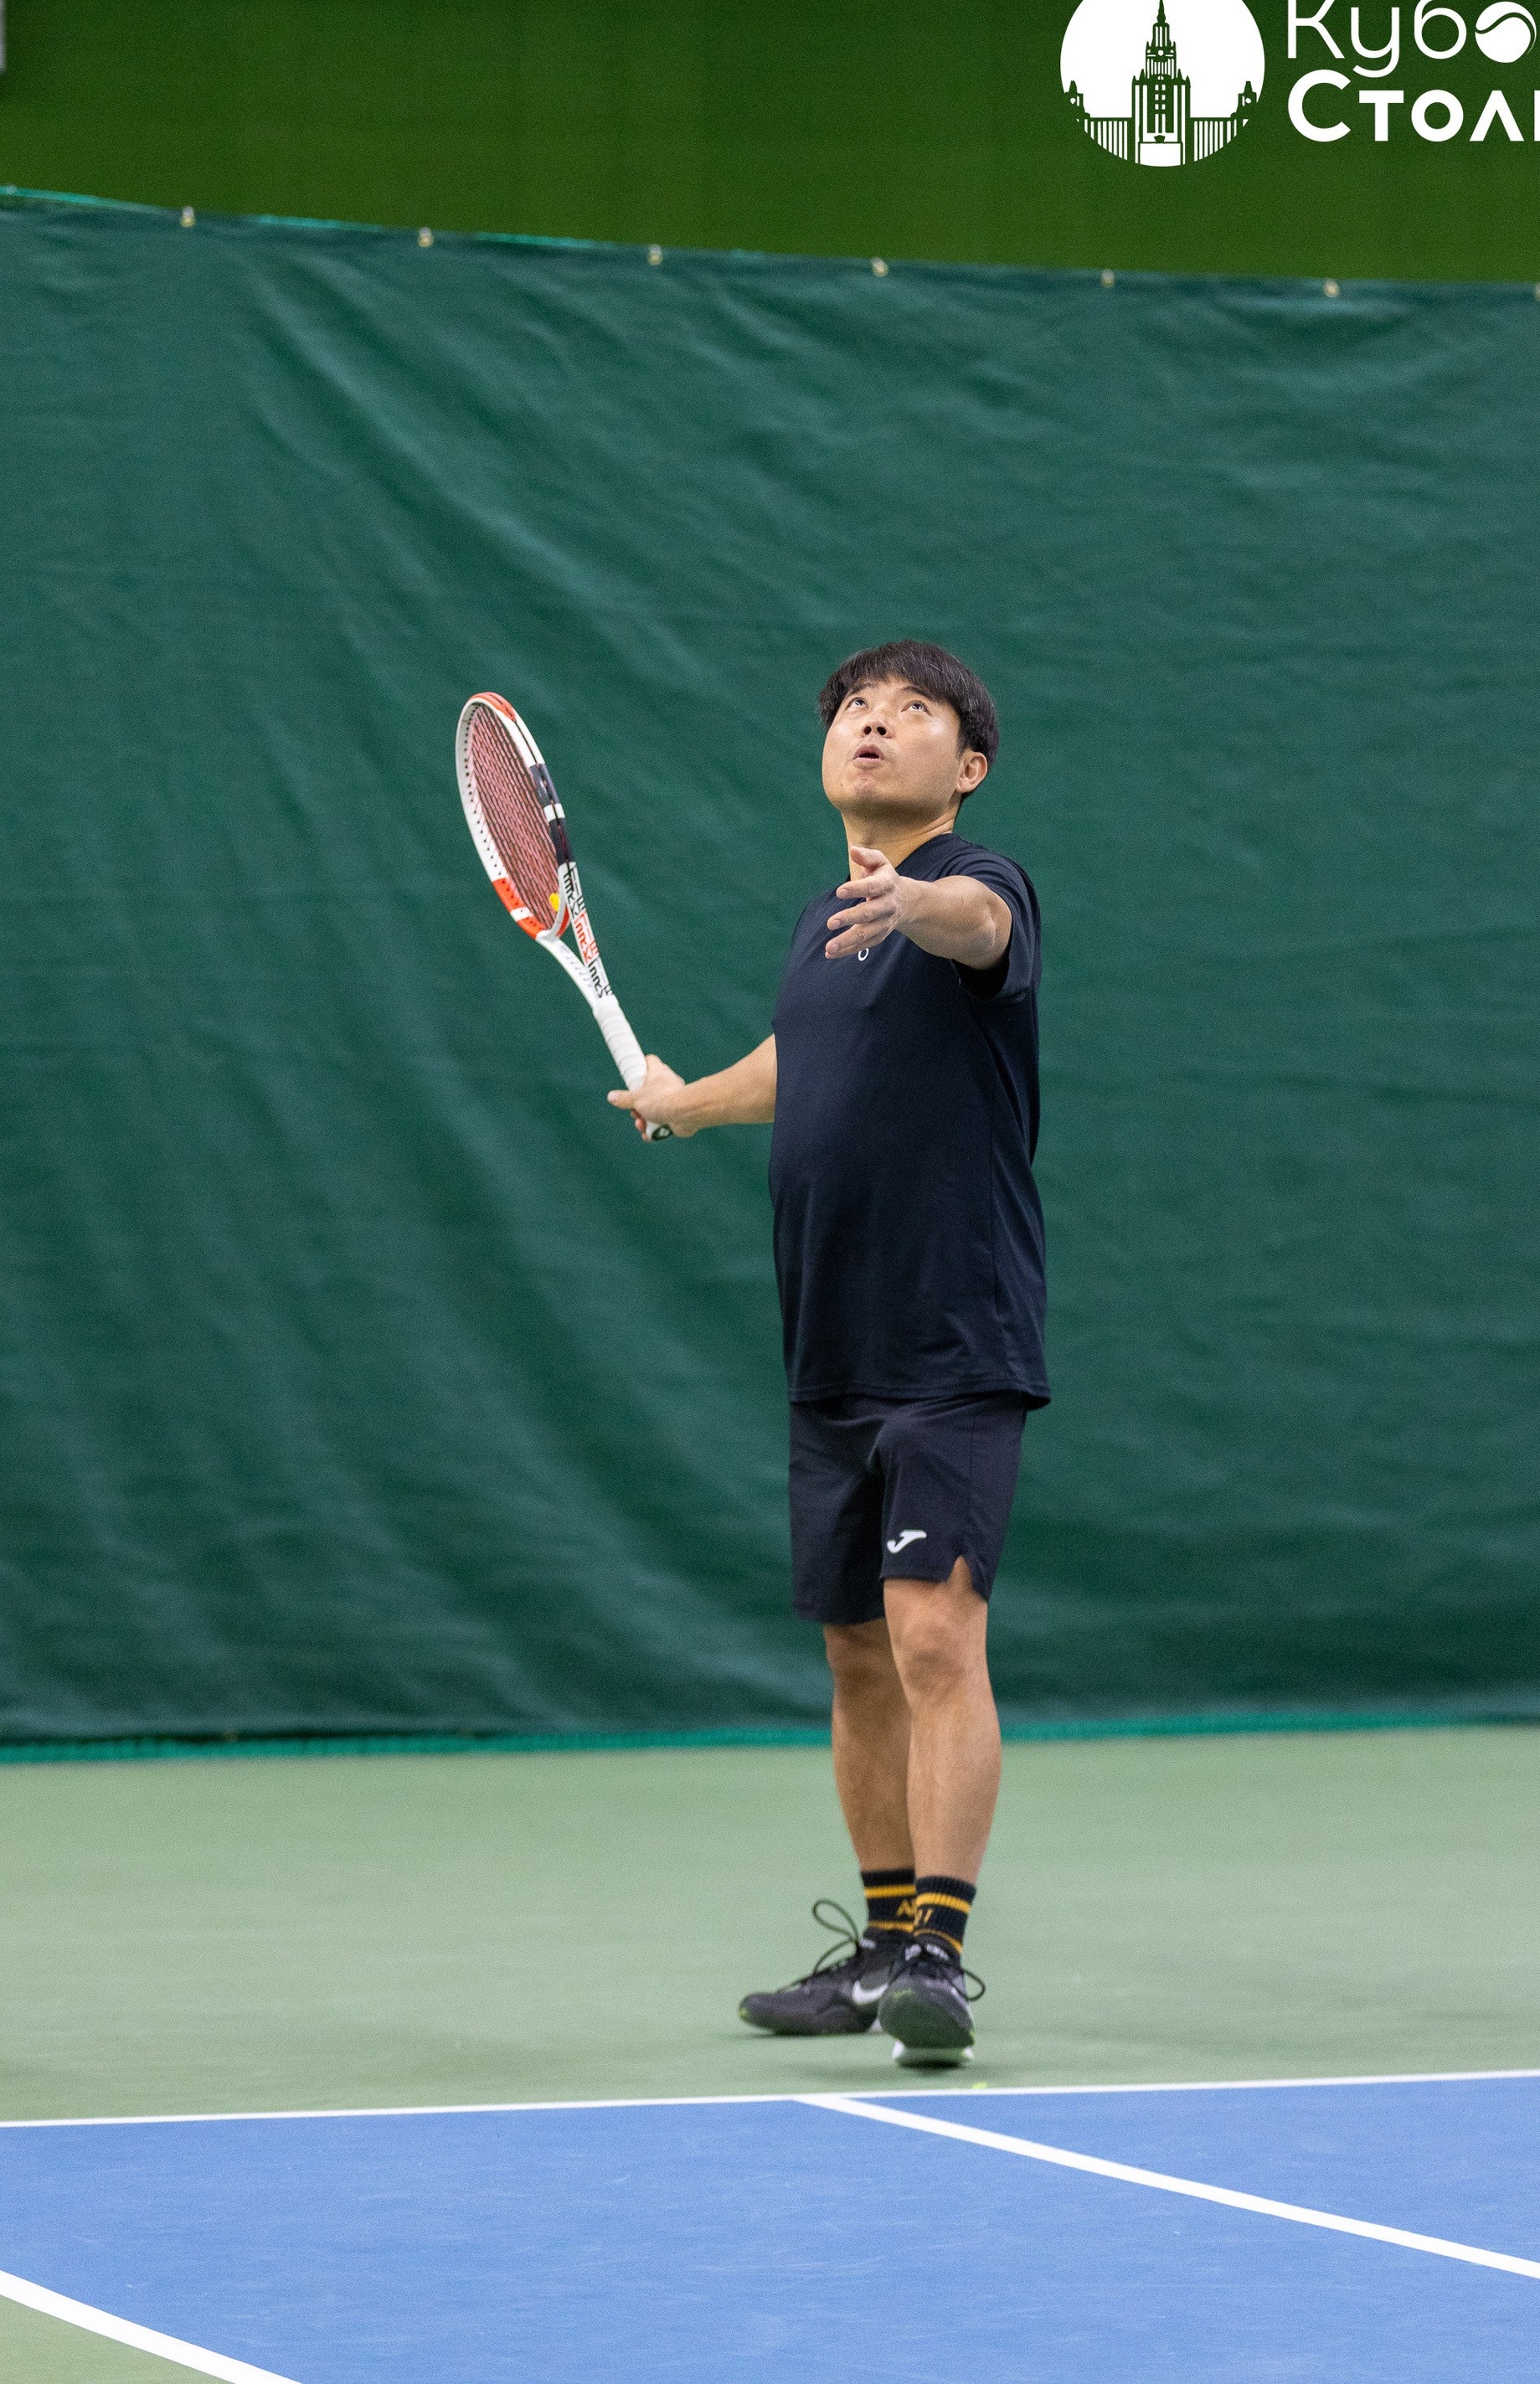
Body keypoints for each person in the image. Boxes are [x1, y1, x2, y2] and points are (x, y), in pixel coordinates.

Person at [610, 641, 1045, 2064]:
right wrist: (686, 1104)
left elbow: (974, 929)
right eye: (859, 709)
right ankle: (876, 1942)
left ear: (964, 767)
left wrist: (921, 900)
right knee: (858, 1651)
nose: (875, 723)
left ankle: (939, 1951)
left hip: (952, 1329)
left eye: (914, 712)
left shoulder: (977, 887)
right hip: (830, 1340)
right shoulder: (822, 925)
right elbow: (801, 1064)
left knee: (934, 1629)